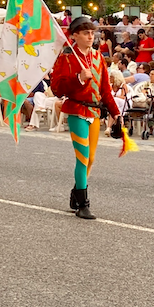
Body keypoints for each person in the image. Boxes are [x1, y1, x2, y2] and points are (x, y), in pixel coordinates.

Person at [50, 15, 120, 220]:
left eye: (92, 33)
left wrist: (116, 112)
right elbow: (56, 88)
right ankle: (83, 203)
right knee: (82, 157)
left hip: (95, 112)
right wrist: (78, 78)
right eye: (86, 33)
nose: (91, 37)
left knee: (91, 159)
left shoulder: (98, 58)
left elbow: (105, 89)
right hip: (76, 110)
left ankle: (76, 193)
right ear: (75, 36)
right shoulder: (66, 57)